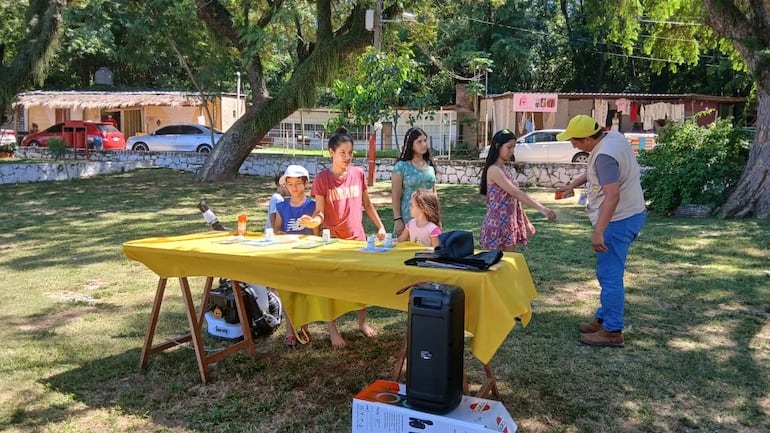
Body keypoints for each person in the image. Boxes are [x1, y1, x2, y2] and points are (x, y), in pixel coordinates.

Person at [556, 115, 646, 348]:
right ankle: (604, 318)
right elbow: (595, 171)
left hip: (619, 220)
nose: (572, 145)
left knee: (610, 276)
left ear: (587, 139)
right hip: (631, 214)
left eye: (575, 141)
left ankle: (612, 330)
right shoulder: (611, 138)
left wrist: (599, 231)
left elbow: (612, 196)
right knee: (609, 273)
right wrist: (571, 186)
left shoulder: (605, 156)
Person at [299, 127, 387, 347]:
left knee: (361, 285)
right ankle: (333, 330)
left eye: (350, 153)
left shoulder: (358, 174)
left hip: (357, 239)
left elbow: (367, 204)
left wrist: (381, 226)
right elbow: (319, 212)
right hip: (333, 242)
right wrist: (313, 223)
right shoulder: (322, 179)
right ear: (331, 152)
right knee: (331, 287)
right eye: (343, 153)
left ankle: (362, 323)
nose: (347, 157)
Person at [479, 129, 556, 252]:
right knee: (497, 267)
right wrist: (542, 208)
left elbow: (515, 199)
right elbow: (516, 193)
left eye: (513, 147)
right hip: (497, 225)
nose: (511, 151)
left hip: (508, 224)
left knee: (507, 265)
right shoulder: (494, 170)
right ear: (497, 146)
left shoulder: (503, 168)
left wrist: (526, 222)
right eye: (509, 147)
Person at [274, 164, 316, 346]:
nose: (294, 187)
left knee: (303, 293)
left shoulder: (312, 205)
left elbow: (316, 233)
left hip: (305, 256)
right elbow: (276, 229)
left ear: (305, 183)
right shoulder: (281, 206)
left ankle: (304, 326)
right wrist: (281, 235)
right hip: (286, 255)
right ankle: (290, 329)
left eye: (298, 183)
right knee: (287, 292)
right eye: (290, 184)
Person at [391, 127, 436, 237]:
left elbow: (434, 193)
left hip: (428, 217)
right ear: (411, 144)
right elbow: (396, 196)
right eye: (419, 142)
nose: (423, 144)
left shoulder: (429, 166)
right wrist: (398, 219)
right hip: (408, 216)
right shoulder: (401, 167)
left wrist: (437, 217)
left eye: (425, 141)